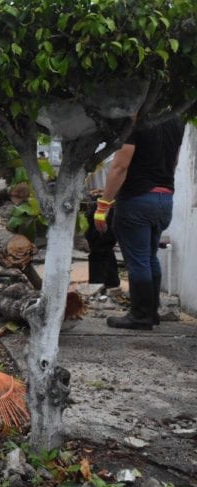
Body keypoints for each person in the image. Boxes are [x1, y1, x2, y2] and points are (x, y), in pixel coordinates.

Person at [94, 116, 185, 330]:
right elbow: (175, 161)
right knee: (149, 258)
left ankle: (140, 316)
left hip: (137, 199)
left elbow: (119, 166)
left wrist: (103, 205)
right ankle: (151, 313)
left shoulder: (135, 121)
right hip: (164, 199)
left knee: (139, 261)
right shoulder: (177, 121)